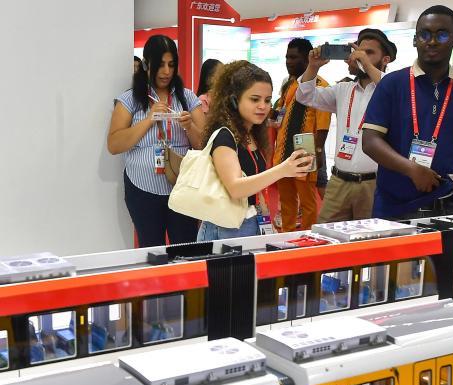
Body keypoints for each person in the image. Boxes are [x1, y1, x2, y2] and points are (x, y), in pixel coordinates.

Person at [362, 5, 453, 219]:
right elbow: (370, 142)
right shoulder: (392, 84)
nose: (432, 41)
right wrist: (412, 169)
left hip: (447, 207)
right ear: (415, 40)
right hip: (394, 209)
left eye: (442, 35)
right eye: (424, 34)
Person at [196, 61, 314, 240]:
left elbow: (255, 185)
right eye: (254, 99)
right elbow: (235, 188)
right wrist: (283, 169)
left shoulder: (251, 133)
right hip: (225, 227)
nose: (263, 106)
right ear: (234, 99)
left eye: (267, 100)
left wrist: (265, 221)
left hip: (249, 221)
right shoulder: (224, 135)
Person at [108, 35, 205, 247]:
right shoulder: (130, 99)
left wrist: (190, 126)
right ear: (146, 64)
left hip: (183, 185)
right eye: (160, 64)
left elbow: (204, 145)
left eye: (171, 64)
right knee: (151, 250)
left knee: (187, 249)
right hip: (142, 187)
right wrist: (149, 119)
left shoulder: (187, 97)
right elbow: (114, 145)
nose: (166, 71)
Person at [296, 29, 397, 222]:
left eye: (368, 53)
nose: (359, 56)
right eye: (359, 51)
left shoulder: (392, 88)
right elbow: (305, 96)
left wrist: (366, 64)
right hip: (338, 182)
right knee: (325, 235)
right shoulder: (344, 89)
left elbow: (392, 89)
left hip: (374, 184)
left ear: (385, 60)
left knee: (369, 238)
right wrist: (313, 67)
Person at [272, 38, 331, 231]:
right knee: (286, 200)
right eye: (287, 57)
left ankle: (308, 239)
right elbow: (280, 114)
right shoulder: (290, 85)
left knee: (307, 202)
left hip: (305, 149)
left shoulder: (321, 85)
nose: (288, 62)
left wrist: (318, 152)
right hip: (283, 150)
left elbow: (323, 125)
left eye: (293, 57)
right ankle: (286, 237)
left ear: (307, 59)